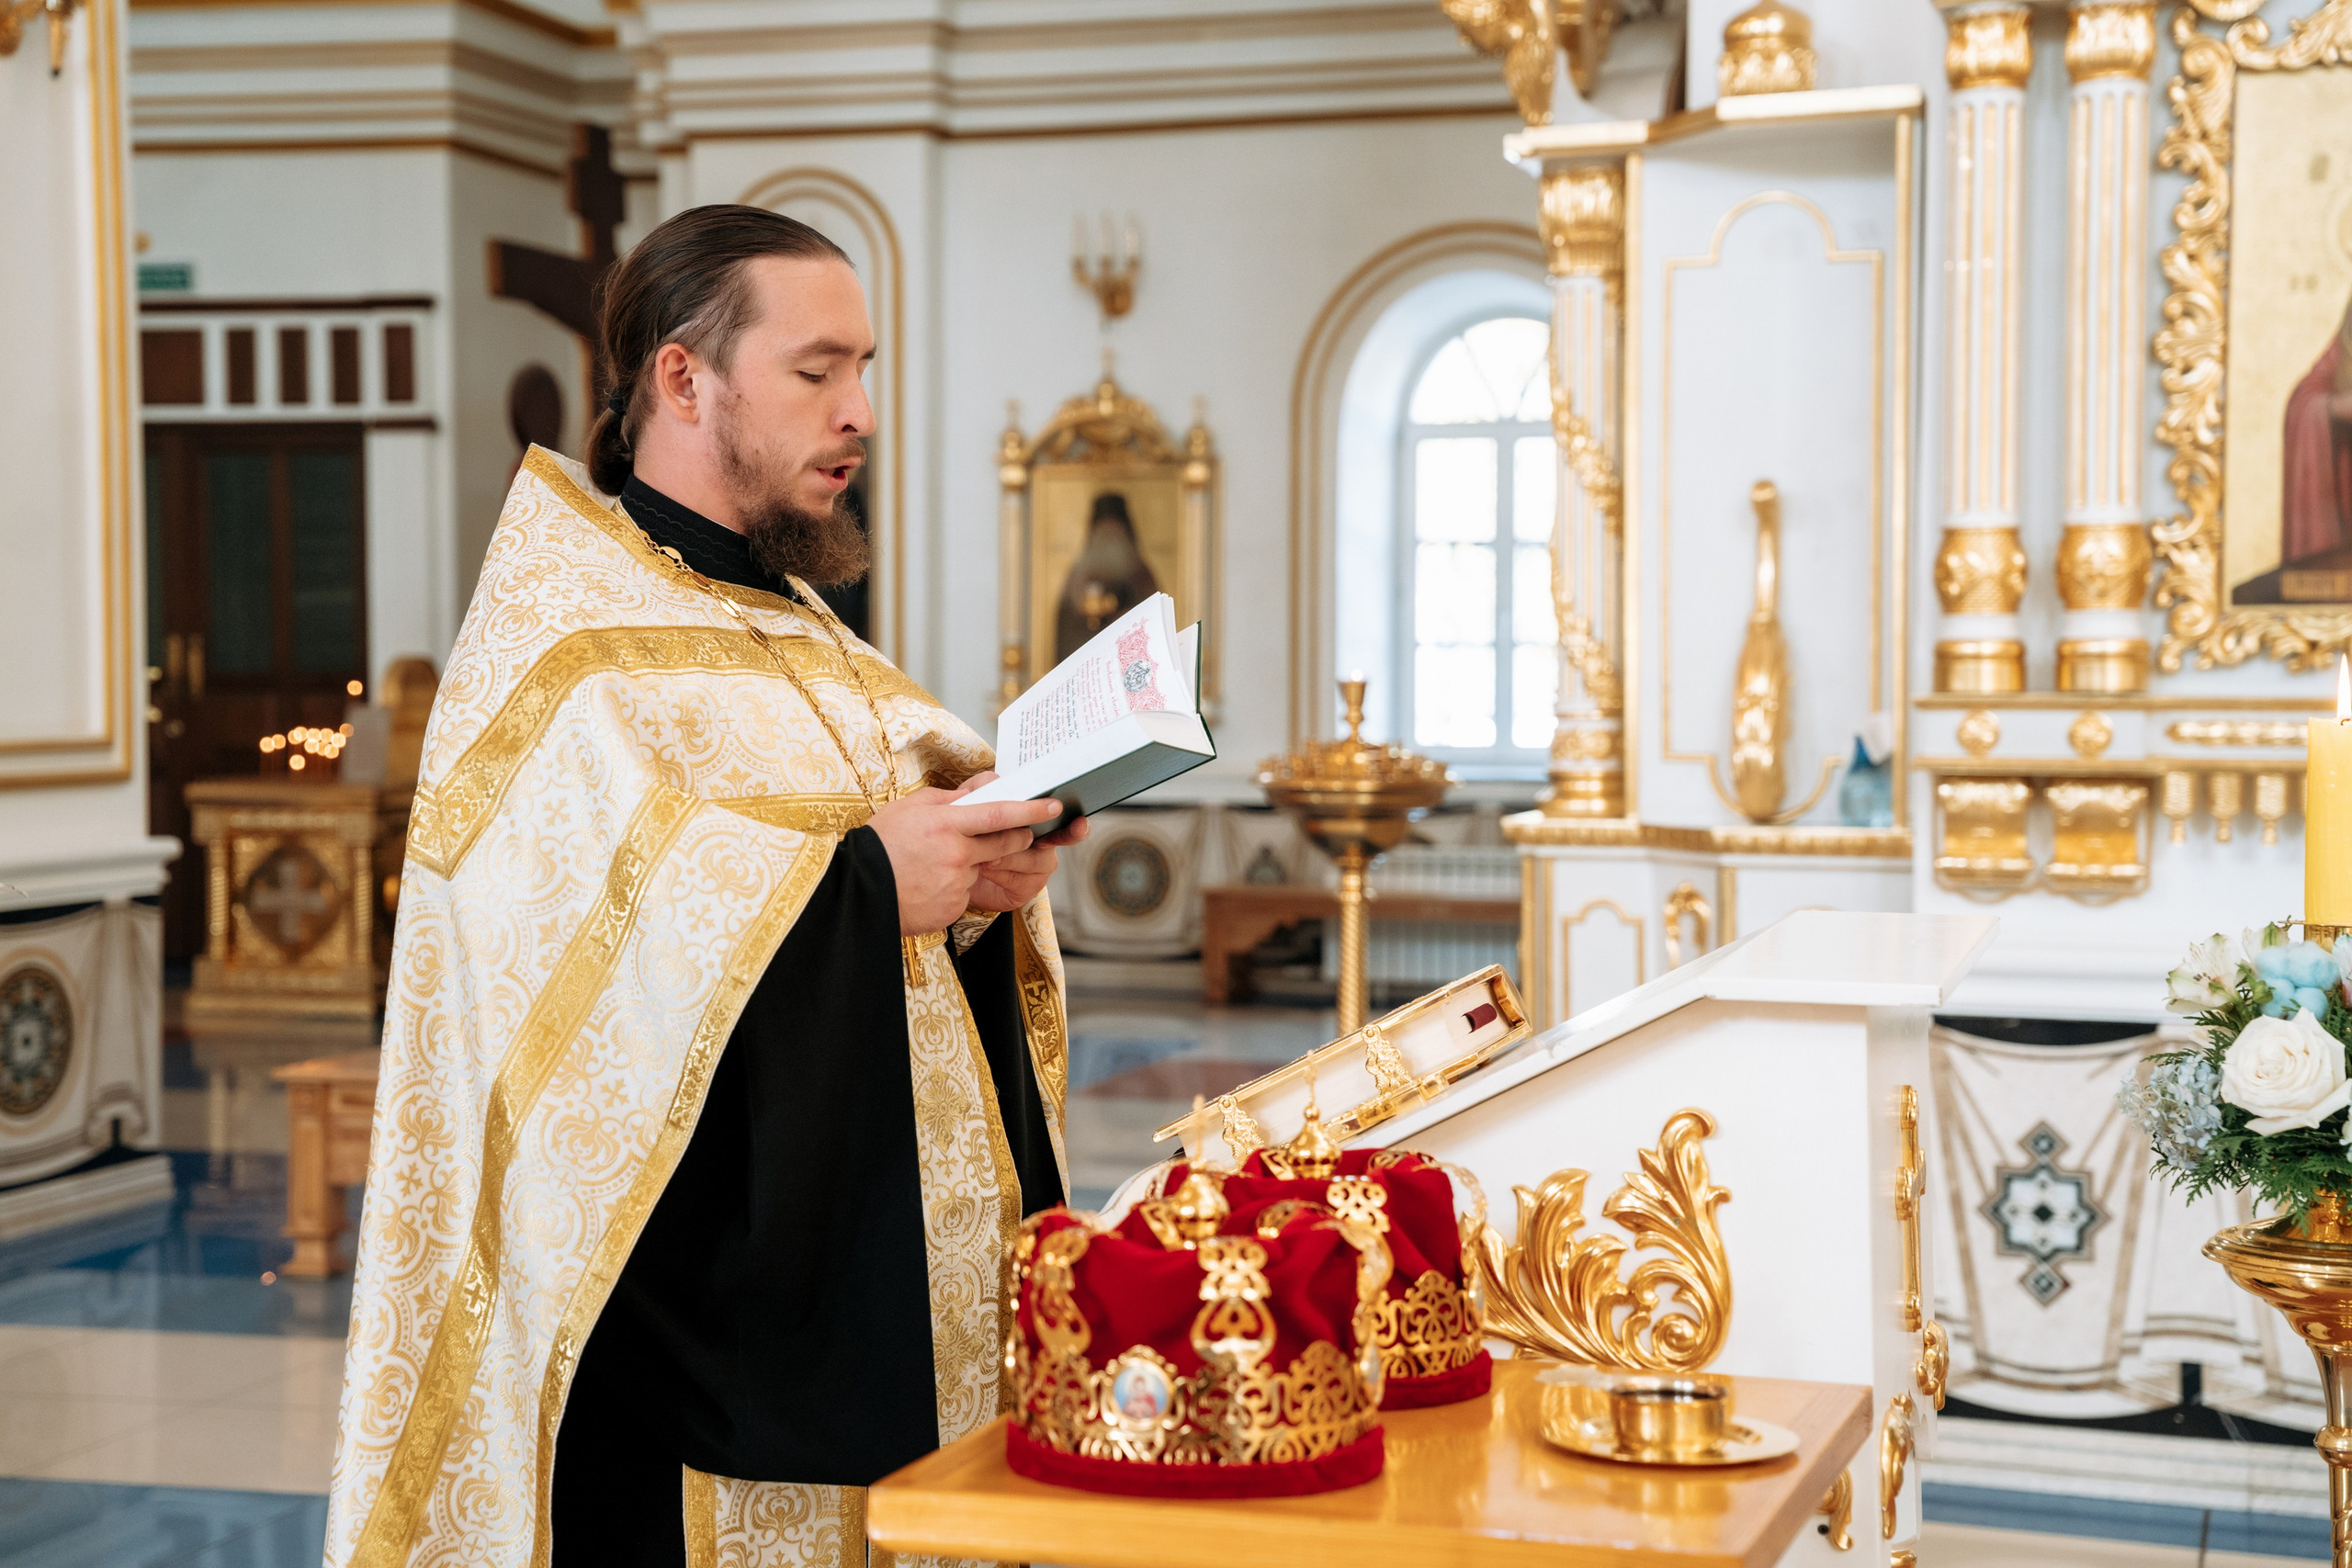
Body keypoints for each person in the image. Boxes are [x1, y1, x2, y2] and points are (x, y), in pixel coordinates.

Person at [324, 206, 1087, 1568]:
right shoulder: (565, 652)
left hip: (885, 1310)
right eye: (816, 371)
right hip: (692, 1366)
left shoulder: (807, 635)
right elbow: (573, 992)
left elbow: (879, 908)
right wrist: (860, 882)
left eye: (864, 370)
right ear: (683, 378)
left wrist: (977, 882)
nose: (857, 412)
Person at [1053, 491, 1159, 662]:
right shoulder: (1078, 578)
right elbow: (1066, 635)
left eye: (1115, 532)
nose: (1110, 538)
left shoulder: (1142, 577)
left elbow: (1154, 626)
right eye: (1104, 533)